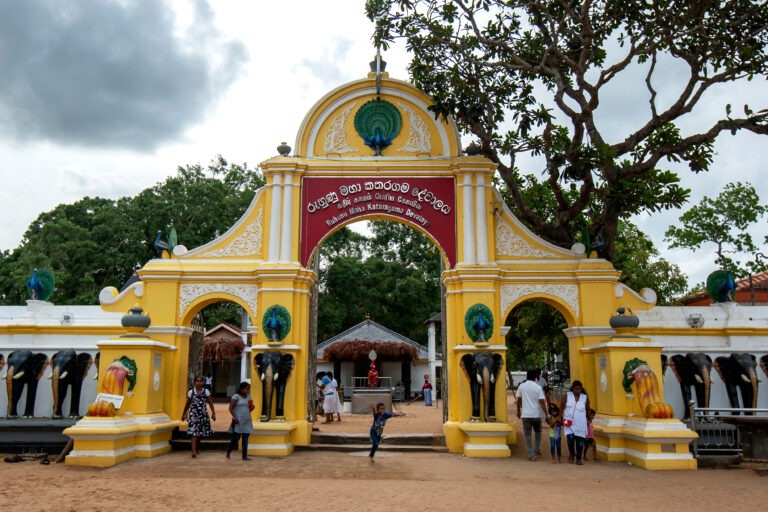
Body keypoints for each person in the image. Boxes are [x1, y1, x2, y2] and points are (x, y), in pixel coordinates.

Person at [516, 369, 549, 461]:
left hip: (525, 415)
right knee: (538, 432)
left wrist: (518, 411)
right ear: (536, 377)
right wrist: (546, 415)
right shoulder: (538, 387)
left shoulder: (522, 386)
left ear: (526, 376)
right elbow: (542, 402)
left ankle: (531, 454)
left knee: (527, 435)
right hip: (536, 414)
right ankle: (537, 449)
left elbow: (518, 400)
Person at [181, 375, 216, 458]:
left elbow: (210, 403)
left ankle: (197, 448)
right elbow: (187, 404)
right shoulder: (191, 392)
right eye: (197, 381)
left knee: (200, 434)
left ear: (203, 382)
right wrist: (183, 414)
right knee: (194, 433)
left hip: (203, 415)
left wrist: (213, 413)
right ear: (195, 382)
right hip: (193, 415)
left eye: (200, 381)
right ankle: (193, 451)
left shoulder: (206, 392)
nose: (199, 382)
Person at [561, 380, 591, 465]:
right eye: (575, 389)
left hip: (580, 422)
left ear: (581, 389)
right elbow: (562, 406)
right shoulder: (567, 396)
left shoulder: (585, 398)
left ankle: (579, 458)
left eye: (579, 389)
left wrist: (589, 420)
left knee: (580, 441)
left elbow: (588, 410)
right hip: (568, 421)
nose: (577, 390)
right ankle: (572, 453)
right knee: (570, 439)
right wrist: (560, 416)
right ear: (572, 389)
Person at [226, 381, 254, 461]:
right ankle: (228, 450)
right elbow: (230, 408)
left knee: (245, 439)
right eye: (246, 389)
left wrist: (252, 407)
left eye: (248, 389)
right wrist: (235, 417)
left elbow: (249, 409)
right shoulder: (236, 396)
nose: (247, 391)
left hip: (247, 421)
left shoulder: (249, 397)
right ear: (241, 389)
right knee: (236, 438)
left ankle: (244, 456)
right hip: (238, 421)